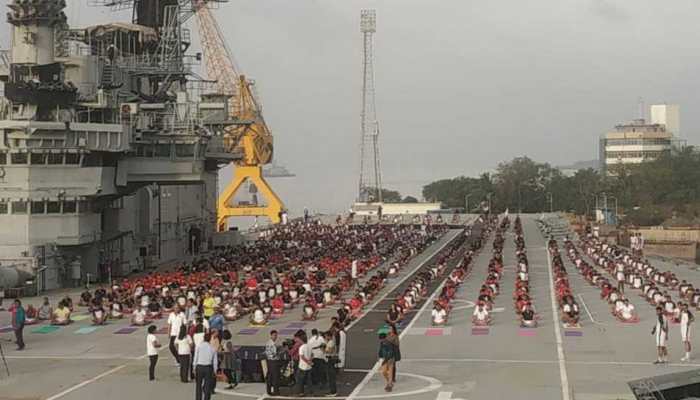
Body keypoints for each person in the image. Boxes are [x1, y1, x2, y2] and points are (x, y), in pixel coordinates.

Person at [193, 332, 218, 400]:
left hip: (199, 366)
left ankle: (198, 398)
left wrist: (194, 367)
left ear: (203, 338)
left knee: (198, 385)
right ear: (210, 339)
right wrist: (215, 370)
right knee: (207, 385)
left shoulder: (199, 346)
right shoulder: (212, 348)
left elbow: (196, 357)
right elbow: (215, 361)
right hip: (208, 367)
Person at [265, 330, 280, 396]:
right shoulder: (272, 344)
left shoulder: (268, 342)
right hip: (273, 361)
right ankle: (276, 391)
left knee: (270, 376)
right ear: (271, 335)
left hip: (269, 361)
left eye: (276, 335)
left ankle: (269, 390)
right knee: (275, 377)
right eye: (274, 335)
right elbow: (274, 354)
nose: (275, 337)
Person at [323, 330, 338, 397]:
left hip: (330, 360)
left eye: (326, 336)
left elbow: (329, 351)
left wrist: (323, 349)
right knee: (330, 377)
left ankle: (333, 391)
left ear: (329, 336)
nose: (325, 337)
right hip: (329, 360)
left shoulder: (331, 342)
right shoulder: (329, 342)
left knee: (331, 376)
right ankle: (332, 391)